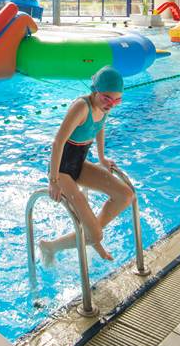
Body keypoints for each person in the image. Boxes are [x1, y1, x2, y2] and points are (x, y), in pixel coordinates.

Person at [40, 66, 134, 264]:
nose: (111, 104)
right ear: (95, 91)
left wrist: (101, 158)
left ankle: (91, 235)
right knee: (95, 234)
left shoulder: (103, 107)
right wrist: (54, 180)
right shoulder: (81, 107)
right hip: (62, 170)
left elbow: (100, 128)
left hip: (79, 163)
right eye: (107, 98)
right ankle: (52, 247)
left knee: (126, 195)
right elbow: (58, 142)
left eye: (117, 100)